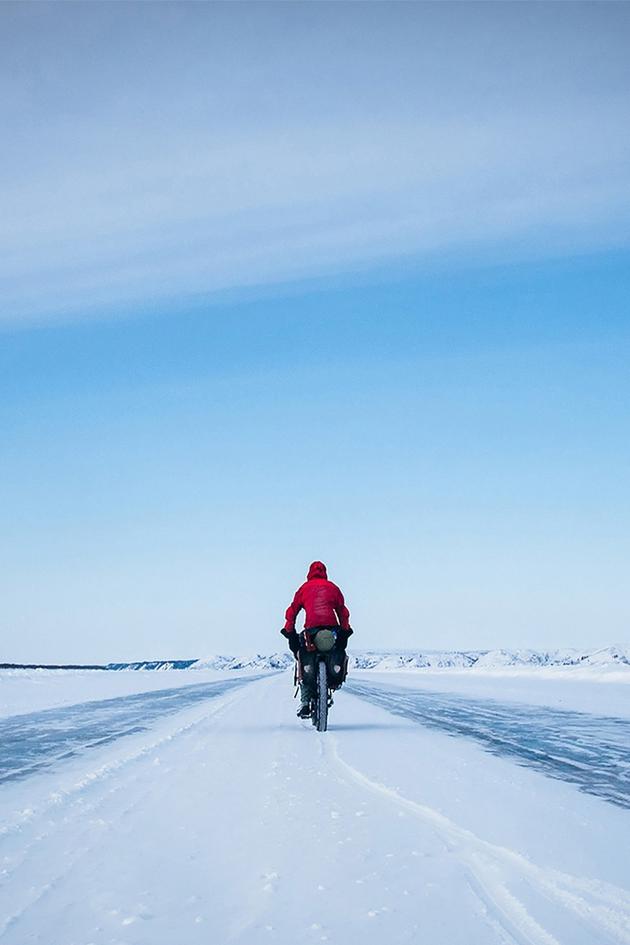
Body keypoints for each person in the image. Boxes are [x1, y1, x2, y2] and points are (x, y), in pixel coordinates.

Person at [281, 561, 353, 718]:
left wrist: (289, 630)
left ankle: (305, 702)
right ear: (325, 573)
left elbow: (292, 611)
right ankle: (332, 680)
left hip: (311, 632)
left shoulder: (304, 589)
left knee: (302, 655)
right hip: (332, 631)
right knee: (337, 650)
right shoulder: (333, 588)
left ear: (309, 573)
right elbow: (343, 612)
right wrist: (345, 630)